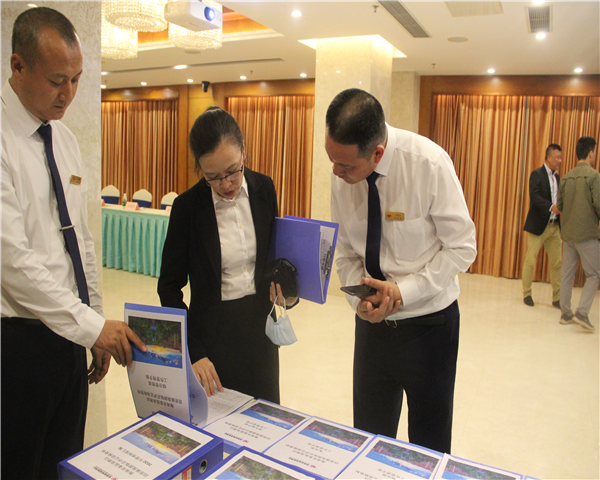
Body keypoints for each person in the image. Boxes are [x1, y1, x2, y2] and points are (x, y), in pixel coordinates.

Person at [1, 7, 146, 480]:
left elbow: (80, 238)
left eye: (78, 79)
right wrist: (90, 325)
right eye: (57, 81)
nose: (68, 94)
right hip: (17, 341)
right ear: (18, 66)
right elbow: (11, 262)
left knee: (64, 462)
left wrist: (93, 320)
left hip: (70, 334)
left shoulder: (63, 139)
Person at [328, 88, 477, 454]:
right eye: (332, 160)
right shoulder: (342, 172)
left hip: (429, 327)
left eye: (346, 166)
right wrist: (359, 301)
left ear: (377, 153)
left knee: (429, 443)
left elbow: (462, 247)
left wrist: (403, 291)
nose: (335, 172)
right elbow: (345, 251)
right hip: (372, 329)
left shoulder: (428, 164)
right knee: (369, 438)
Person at [158, 106, 297, 403]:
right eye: (213, 177)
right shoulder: (187, 208)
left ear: (243, 151)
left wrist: (288, 293)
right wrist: (193, 351)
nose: (226, 184)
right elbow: (168, 288)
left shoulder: (264, 188)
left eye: (233, 170)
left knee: (265, 417)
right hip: (210, 341)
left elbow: (274, 258)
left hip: (260, 334)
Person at [557, 136, 600, 332]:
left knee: (567, 275)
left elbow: (560, 206)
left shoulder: (566, 177)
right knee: (594, 274)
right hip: (587, 233)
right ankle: (582, 312)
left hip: (568, 234)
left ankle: (565, 314)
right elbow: (598, 204)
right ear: (591, 153)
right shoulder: (594, 176)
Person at [521, 144, 563, 308]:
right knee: (530, 260)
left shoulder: (557, 178)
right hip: (538, 225)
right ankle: (527, 293)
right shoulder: (537, 174)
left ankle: (557, 298)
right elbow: (535, 197)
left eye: (560, 157)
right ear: (549, 157)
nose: (560, 160)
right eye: (557, 157)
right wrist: (551, 207)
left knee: (557, 263)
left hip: (554, 226)